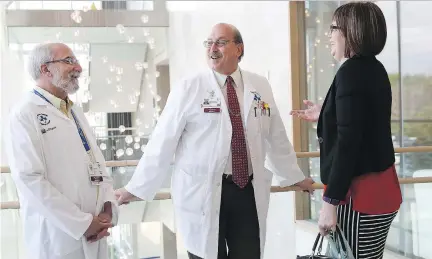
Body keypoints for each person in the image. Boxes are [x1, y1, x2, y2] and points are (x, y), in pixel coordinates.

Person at [115, 23, 314, 259]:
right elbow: (162, 142)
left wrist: (295, 176)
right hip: (204, 193)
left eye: (220, 42)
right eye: (209, 43)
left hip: (246, 191)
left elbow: (276, 136)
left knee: (248, 254)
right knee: (206, 254)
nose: (212, 48)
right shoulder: (189, 87)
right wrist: (135, 187)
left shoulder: (259, 85)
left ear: (238, 48)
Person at [291, 2, 402, 259]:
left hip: (359, 197)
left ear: (351, 31)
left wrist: (330, 203)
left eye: (333, 28)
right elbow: (364, 123)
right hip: (381, 191)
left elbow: (348, 142)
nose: (329, 35)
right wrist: (326, 114)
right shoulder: (374, 68)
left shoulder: (350, 72)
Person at [4, 43, 118, 259]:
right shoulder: (25, 113)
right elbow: (29, 179)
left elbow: (97, 162)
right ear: (45, 69)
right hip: (58, 237)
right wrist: (82, 224)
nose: (78, 67)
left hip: (96, 229)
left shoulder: (74, 110)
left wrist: (108, 206)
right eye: (69, 61)